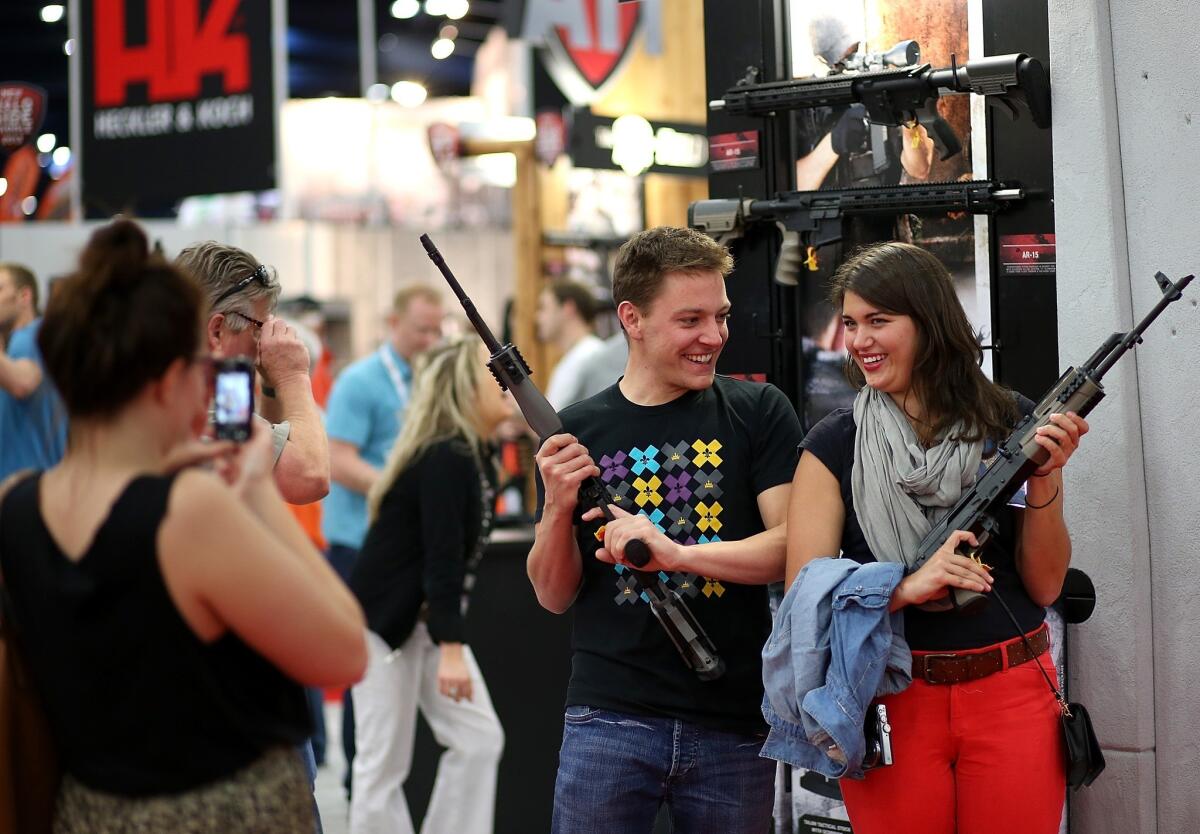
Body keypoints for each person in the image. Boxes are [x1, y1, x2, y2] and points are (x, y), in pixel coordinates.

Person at [0, 219, 367, 832]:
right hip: (219, 809)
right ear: (174, 372)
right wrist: (251, 489)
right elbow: (345, 651)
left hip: (91, 807)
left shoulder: (18, 506)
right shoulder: (189, 509)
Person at [782, 242, 1087, 834]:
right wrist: (901, 587)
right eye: (851, 323)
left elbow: (1046, 583)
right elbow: (805, 598)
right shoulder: (833, 443)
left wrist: (1046, 479)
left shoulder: (1009, 422)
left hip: (1011, 689)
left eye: (879, 320)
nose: (860, 340)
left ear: (930, 322)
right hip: (892, 696)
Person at [529, 226, 804, 833]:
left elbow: (792, 550)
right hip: (608, 717)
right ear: (633, 318)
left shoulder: (759, 412)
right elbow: (552, 594)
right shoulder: (576, 431)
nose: (714, 337)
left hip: (732, 720)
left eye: (721, 316)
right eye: (691, 320)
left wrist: (676, 554)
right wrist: (555, 507)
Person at [347, 338, 509, 834]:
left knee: (479, 739)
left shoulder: (478, 455)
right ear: (464, 389)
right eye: (492, 377)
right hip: (384, 624)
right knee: (382, 765)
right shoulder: (446, 456)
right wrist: (453, 646)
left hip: (423, 622)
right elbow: (443, 560)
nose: (505, 384)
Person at [323, 283, 444, 792]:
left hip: (408, 549)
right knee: (366, 668)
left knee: (400, 671)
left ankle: (395, 783)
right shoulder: (360, 382)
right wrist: (399, 493)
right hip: (360, 546)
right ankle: (359, 778)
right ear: (392, 324)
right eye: (421, 329)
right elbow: (338, 456)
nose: (430, 338)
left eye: (438, 329)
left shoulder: (430, 379)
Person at [175, 242, 330, 505]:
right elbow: (309, 478)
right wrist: (294, 377)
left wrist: (271, 386)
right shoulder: (195, 398)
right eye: (258, 327)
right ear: (216, 331)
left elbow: (261, 467)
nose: (261, 343)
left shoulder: (215, 386)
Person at [0, 262, 67, 479]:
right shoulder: (11, 346)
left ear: (24, 296)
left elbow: (22, 383)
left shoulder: (33, 335)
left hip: (30, 487)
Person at [535, 279, 605, 410]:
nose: (538, 317)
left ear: (568, 308)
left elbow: (555, 422)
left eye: (543, 308)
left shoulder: (591, 355)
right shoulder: (575, 357)